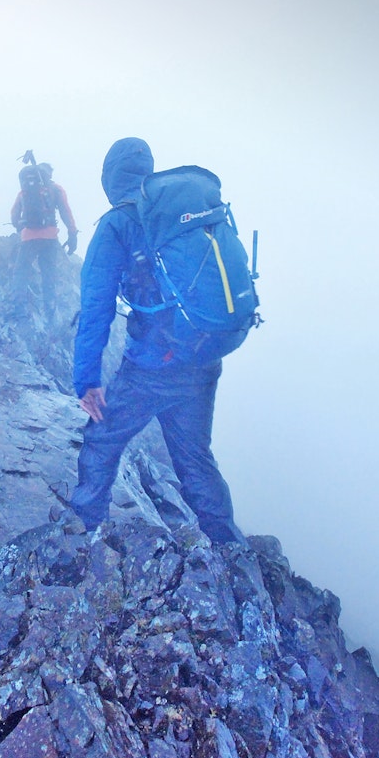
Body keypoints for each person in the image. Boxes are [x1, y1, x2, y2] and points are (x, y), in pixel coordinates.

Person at [69, 137, 247, 546]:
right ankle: (231, 549)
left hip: (153, 365)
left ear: (109, 179)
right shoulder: (177, 215)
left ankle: (80, 534)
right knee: (195, 460)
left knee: (100, 442)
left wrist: (86, 382)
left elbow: (95, 308)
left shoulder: (118, 224)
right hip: (202, 354)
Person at [10, 159, 78, 317]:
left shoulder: (24, 191)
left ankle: (19, 308)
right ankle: (50, 309)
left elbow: (14, 215)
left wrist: (21, 226)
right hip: (49, 238)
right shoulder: (55, 189)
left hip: (28, 238)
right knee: (48, 273)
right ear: (49, 174)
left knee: (21, 271)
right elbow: (65, 212)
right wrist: (72, 233)